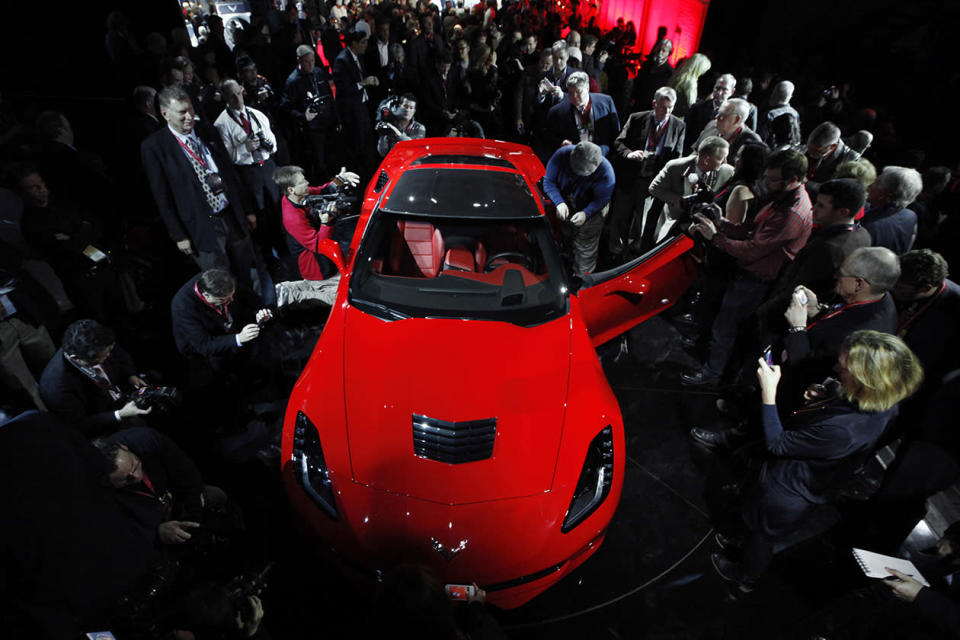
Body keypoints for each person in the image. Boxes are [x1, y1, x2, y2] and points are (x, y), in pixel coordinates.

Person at [711, 330, 923, 590]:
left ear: (866, 381)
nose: (835, 368)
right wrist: (828, 396)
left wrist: (769, 393)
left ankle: (746, 575)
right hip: (802, 480)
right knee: (758, 527)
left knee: (764, 536)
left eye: (844, 368)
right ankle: (743, 547)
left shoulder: (846, 430)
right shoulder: (885, 402)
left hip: (789, 492)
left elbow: (778, 444)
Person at [682, 149, 813, 387]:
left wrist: (715, 238)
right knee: (723, 326)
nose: (766, 182)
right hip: (747, 275)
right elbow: (752, 229)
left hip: (755, 281)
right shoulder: (782, 199)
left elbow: (753, 248)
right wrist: (722, 223)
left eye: (772, 179)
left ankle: (712, 375)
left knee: (725, 329)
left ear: (792, 179)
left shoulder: (792, 213)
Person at [142, 86, 262, 295]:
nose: (189, 116)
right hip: (201, 225)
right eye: (182, 112)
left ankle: (257, 313)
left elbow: (231, 174)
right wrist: (178, 234)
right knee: (220, 280)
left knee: (247, 271)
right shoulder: (155, 147)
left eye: (190, 109)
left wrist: (247, 209)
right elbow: (162, 197)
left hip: (231, 215)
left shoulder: (208, 131)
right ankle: (235, 321)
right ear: (165, 114)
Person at [93, 426, 228, 548]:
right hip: (151, 528)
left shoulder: (145, 440)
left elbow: (185, 473)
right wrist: (156, 534)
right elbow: (118, 534)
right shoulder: (98, 495)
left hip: (178, 498)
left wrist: (193, 516)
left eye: (134, 465)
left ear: (124, 447)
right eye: (127, 479)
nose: (138, 477)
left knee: (219, 495)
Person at [607, 86, 685, 255]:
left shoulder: (679, 126)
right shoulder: (637, 118)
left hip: (652, 181)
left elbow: (677, 156)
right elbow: (619, 143)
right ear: (654, 104)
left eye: (670, 107)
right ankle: (615, 251)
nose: (667, 111)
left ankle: (633, 252)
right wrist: (629, 154)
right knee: (620, 215)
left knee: (640, 220)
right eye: (663, 107)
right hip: (630, 176)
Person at [39, 319, 152, 435]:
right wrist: (119, 414)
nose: (108, 356)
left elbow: (120, 356)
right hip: (104, 427)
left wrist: (130, 375)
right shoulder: (56, 388)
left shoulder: (100, 341)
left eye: (109, 350)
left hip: (122, 397)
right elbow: (79, 424)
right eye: (101, 357)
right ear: (76, 359)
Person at [214, 78, 281, 264]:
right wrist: (245, 148)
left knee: (278, 208)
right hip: (248, 172)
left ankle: (284, 248)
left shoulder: (255, 114)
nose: (237, 98)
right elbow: (226, 158)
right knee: (260, 217)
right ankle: (269, 257)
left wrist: (267, 146)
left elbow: (272, 140)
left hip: (267, 167)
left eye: (238, 93)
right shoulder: (221, 123)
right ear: (226, 98)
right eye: (232, 96)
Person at [170, 268, 271, 372]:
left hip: (228, 325)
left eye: (232, 295)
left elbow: (250, 296)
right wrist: (238, 338)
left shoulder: (222, 279)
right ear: (207, 295)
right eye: (224, 299)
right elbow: (204, 345)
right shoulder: (183, 307)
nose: (232, 300)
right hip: (205, 350)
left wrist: (261, 311)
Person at [542, 141, 615, 277]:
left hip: (593, 211)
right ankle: (567, 262)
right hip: (567, 203)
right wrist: (559, 203)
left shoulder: (607, 173)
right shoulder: (561, 155)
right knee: (566, 234)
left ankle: (583, 278)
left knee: (585, 246)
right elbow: (549, 181)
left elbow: (601, 200)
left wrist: (586, 213)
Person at [274, 164, 359, 281]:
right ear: (291, 190)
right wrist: (325, 224)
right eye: (302, 182)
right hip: (317, 269)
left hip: (325, 257)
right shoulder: (293, 218)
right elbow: (319, 246)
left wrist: (340, 180)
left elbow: (322, 190)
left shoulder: (296, 196)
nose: (307, 183)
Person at [648, 136, 735, 247]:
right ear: (706, 159)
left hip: (704, 230)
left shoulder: (728, 172)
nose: (725, 162)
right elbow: (654, 188)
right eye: (722, 158)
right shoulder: (676, 166)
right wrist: (677, 200)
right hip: (675, 223)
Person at [281, 44, 337, 179]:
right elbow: (286, 107)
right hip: (311, 129)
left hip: (327, 122)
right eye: (307, 61)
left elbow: (329, 96)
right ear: (299, 61)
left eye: (312, 60)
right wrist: (302, 117)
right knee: (319, 161)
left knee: (333, 156)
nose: (310, 64)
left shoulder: (318, 73)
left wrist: (336, 118)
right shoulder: (292, 82)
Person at [544, 71, 620, 157]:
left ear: (587, 88)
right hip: (573, 158)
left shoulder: (606, 102)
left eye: (578, 92)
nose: (574, 97)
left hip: (603, 156)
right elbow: (548, 138)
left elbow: (616, 134)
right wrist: (561, 143)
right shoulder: (557, 111)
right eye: (570, 93)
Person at [333, 29, 379, 170]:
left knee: (367, 141)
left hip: (362, 105)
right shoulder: (342, 61)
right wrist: (364, 83)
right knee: (358, 144)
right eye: (363, 42)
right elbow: (344, 89)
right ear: (354, 43)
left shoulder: (358, 57)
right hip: (352, 110)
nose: (365, 45)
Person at [862, 166, 923, 254]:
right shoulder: (911, 216)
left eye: (877, 182)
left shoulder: (865, 226)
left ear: (885, 194)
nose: (870, 185)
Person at [691, 97, 766, 163]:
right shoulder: (711, 125)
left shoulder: (751, 140)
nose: (717, 117)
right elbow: (695, 151)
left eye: (723, 115)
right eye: (718, 112)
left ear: (737, 119)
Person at [800, 121, 860, 195]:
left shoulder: (850, 160)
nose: (810, 153)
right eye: (809, 147)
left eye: (817, 151)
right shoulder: (804, 148)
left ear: (832, 146)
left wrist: (807, 183)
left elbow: (837, 191)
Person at [684, 74, 735, 153]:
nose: (719, 92)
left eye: (724, 90)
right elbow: (686, 134)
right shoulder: (697, 108)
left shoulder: (732, 115)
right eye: (717, 88)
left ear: (732, 91)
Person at [666, 52, 711, 118]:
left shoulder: (678, 75)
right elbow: (692, 106)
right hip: (677, 119)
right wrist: (707, 100)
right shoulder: (690, 83)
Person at [759, 80, 800, 147]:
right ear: (790, 96)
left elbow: (761, 139)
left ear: (774, 93)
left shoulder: (770, 114)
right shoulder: (795, 114)